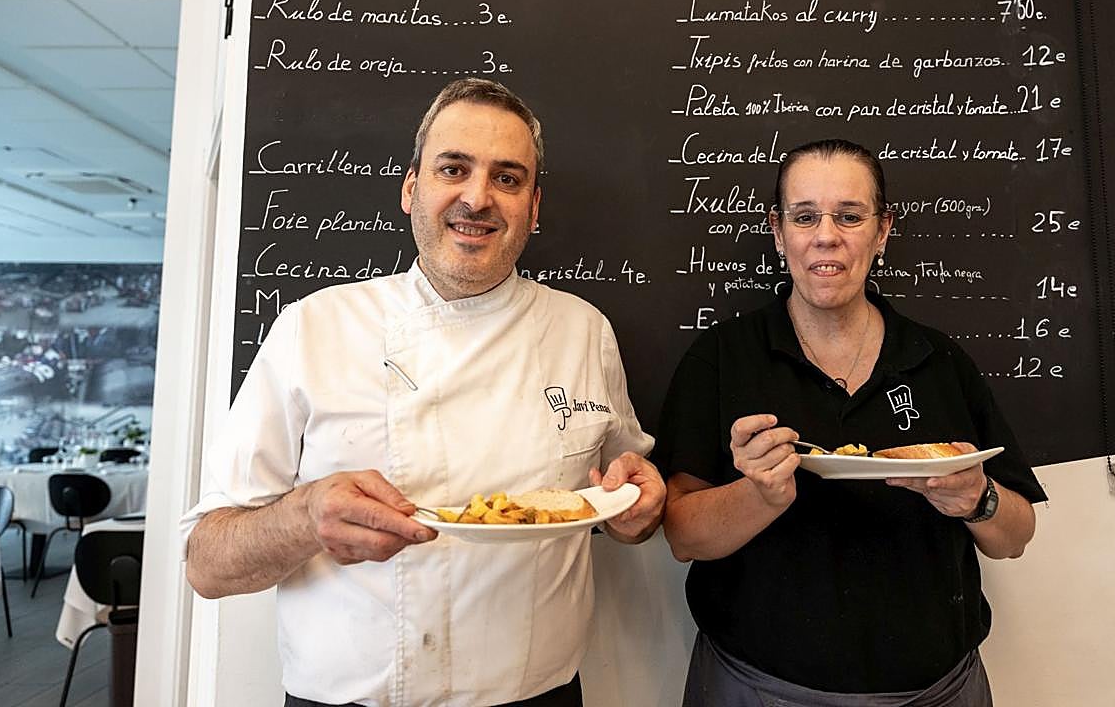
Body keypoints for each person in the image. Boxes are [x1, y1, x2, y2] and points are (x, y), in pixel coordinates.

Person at [181, 79, 665, 707]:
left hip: (536, 696)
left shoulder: (584, 331)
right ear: (412, 188)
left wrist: (639, 507)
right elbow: (205, 564)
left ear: (534, 207)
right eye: (453, 169)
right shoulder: (312, 327)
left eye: (508, 178)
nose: (477, 197)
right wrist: (304, 519)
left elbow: (624, 499)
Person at [654, 139, 1046, 707]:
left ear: (882, 231)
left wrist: (976, 498)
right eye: (805, 216)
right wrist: (761, 495)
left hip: (939, 691)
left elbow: (1015, 537)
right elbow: (683, 535)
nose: (826, 236)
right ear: (778, 230)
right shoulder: (722, 358)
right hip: (759, 688)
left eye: (850, 216)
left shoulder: (939, 361)